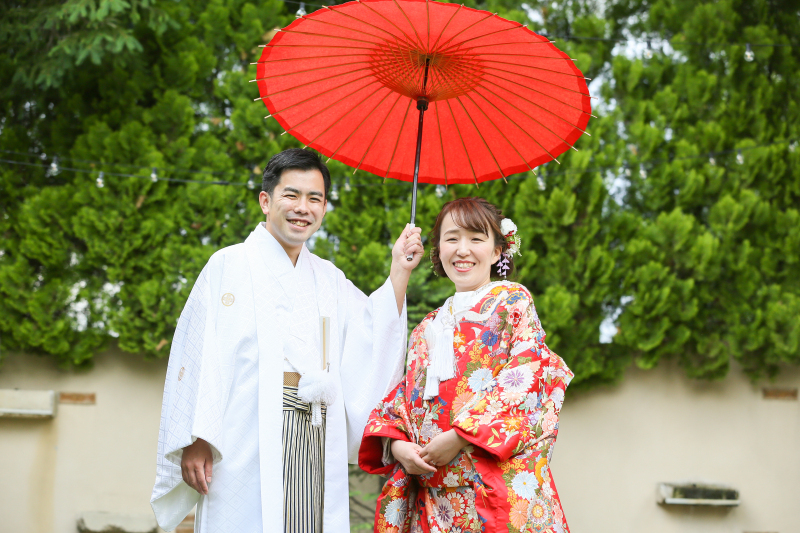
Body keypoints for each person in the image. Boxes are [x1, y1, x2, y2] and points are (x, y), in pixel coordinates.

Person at [150, 148, 424, 533]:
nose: (303, 208)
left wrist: (399, 270)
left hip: (315, 433)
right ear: (266, 201)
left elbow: (369, 333)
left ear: (324, 208)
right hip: (243, 433)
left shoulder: (328, 277)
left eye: (315, 198)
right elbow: (197, 353)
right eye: (291, 195)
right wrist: (197, 438)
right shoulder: (228, 265)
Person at [359, 197, 574, 533]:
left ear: (498, 251)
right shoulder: (426, 327)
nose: (462, 250)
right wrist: (398, 446)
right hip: (434, 501)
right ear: (438, 250)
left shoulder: (512, 302)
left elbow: (527, 377)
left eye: (476, 238)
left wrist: (460, 437)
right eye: (452, 238)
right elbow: (401, 399)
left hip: (488, 492)